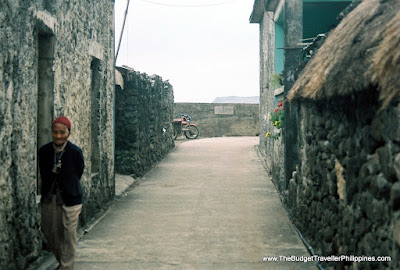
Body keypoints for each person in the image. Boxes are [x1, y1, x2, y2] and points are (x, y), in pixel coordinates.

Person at [39, 116, 84, 270]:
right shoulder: (44, 152)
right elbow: (44, 174)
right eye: (55, 132)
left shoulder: (75, 152)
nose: (58, 136)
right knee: (49, 232)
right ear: (52, 133)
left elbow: (79, 171)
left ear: (68, 133)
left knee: (69, 235)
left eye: (62, 132)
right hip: (50, 198)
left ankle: (66, 267)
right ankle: (62, 261)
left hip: (71, 199)